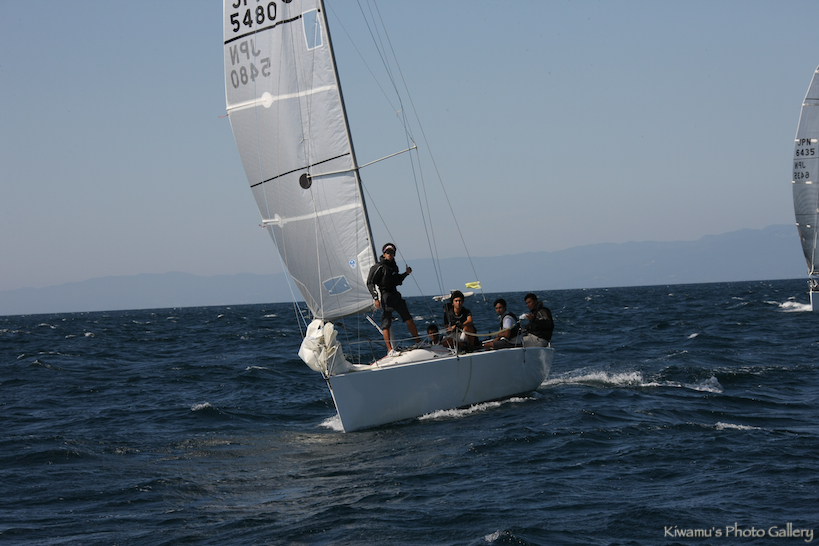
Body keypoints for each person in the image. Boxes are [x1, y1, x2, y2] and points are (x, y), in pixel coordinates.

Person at [366, 242, 421, 355]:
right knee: (386, 324)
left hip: (395, 294)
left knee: (409, 319)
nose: (389, 254)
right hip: (385, 296)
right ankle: (390, 350)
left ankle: (418, 342)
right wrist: (375, 298)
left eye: (392, 252)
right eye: (387, 252)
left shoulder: (394, 266)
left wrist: (406, 273)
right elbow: (370, 282)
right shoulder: (378, 267)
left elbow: (397, 280)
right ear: (384, 254)